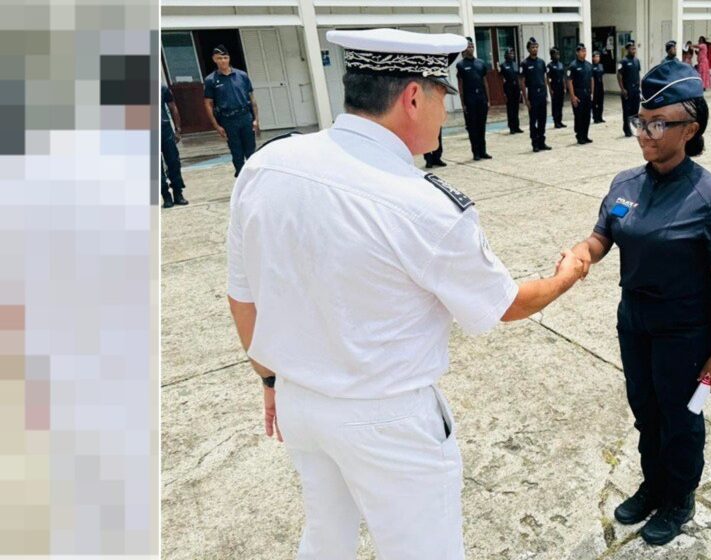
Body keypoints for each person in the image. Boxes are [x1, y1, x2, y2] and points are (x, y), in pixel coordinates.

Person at [226, 28, 586, 560]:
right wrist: (568, 274)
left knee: (325, 538)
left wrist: (271, 379)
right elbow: (506, 304)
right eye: (443, 96)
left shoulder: (267, 165)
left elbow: (242, 297)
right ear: (413, 97)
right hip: (387, 420)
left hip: (300, 402)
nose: (446, 112)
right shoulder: (423, 205)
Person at [569, 59, 711, 547]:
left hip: (685, 332)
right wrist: (581, 253)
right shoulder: (626, 184)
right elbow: (602, 237)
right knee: (645, 410)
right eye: (641, 122)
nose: (645, 134)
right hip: (634, 322)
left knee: (682, 417)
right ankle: (654, 483)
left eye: (658, 124)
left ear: (691, 128)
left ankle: (679, 498)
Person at [203, 45, 260, 177]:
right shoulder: (211, 80)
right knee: (236, 152)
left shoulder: (242, 75)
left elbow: (252, 98)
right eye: (219, 58)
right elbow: (208, 104)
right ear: (214, 59)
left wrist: (256, 119)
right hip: (228, 120)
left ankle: (254, 178)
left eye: (225, 58)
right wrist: (216, 126)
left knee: (251, 151)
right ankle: (241, 178)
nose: (223, 61)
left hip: (245, 117)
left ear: (229, 58)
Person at [456, 37, 492, 160]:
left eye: (472, 46)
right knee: (472, 127)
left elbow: (485, 82)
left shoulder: (480, 63)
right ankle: (475, 152)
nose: (471, 48)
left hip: (481, 98)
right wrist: (463, 103)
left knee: (482, 126)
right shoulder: (460, 65)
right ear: (464, 49)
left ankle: (483, 151)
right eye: (468, 46)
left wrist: (488, 100)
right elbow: (460, 85)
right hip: (470, 99)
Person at [520, 37, 552, 151]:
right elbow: (522, 82)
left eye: (536, 47)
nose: (535, 49)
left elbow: (544, 78)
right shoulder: (524, 63)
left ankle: (542, 142)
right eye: (532, 47)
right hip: (532, 95)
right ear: (528, 49)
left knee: (542, 119)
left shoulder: (541, 62)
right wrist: (526, 99)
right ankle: (535, 143)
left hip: (541, 94)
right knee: (533, 120)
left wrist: (546, 93)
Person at [160, 82, 188, 208]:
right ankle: (165, 195)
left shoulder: (161, 87)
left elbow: (172, 107)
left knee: (174, 162)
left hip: (165, 129)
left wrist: (177, 129)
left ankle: (178, 193)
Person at [567, 43, 595, 144]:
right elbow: (569, 81)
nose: (584, 53)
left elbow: (592, 79)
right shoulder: (573, 66)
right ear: (577, 52)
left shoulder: (589, 65)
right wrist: (572, 96)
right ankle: (579, 136)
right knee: (579, 116)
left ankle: (585, 135)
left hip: (587, 94)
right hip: (578, 94)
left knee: (587, 116)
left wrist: (592, 93)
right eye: (582, 51)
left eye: (585, 51)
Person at [617, 41, 643, 138]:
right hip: (627, 90)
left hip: (636, 90)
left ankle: (635, 129)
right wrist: (622, 89)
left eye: (634, 48)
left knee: (635, 111)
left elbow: (638, 74)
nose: (634, 50)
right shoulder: (623, 61)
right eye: (632, 49)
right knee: (627, 111)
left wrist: (640, 86)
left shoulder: (637, 60)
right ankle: (627, 130)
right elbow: (619, 75)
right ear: (627, 50)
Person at [500, 49, 524, 134]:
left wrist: (520, 90)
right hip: (508, 88)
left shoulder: (515, 64)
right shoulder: (503, 65)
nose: (512, 54)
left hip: (516, 87)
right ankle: (511, 127)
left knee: (516, 107)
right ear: (506, 55)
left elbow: (518, 77)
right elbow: (501, 79)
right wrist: (503, 92)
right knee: (510, 108)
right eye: (510, 53)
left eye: (512, 53)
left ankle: (517, 126)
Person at [547, 47, 568, 129]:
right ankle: (556, 122)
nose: (557, 56)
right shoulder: (549, 65)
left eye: (558, 54)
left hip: (561, 87)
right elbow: (547, 78)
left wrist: (565, 87)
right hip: (554, 87)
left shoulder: (561, 64)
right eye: (555, 54)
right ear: (552, 55)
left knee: (560, 104)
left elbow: (563, 77)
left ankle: (560, 121)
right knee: (555, 105)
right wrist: (550, 89)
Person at [592, 51, 606, 123]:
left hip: (600, 85)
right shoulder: (591, 67)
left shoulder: (601, 65)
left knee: (601, 103)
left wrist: (603, 87)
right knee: (595, 103)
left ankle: (600, 117)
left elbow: (602, 77)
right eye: (596, 57)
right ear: (593, 58)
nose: (597, 58)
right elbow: (591, 79)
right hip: (595, 86)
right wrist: (592, 90)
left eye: (598, 57)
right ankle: (595, 118)